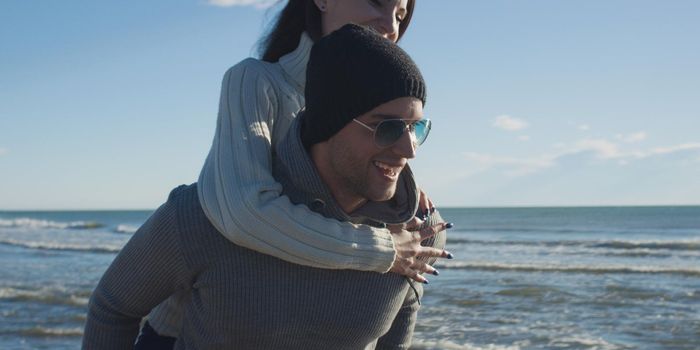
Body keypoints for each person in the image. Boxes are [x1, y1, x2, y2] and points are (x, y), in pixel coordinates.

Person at [83, 23, 447, 349]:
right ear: (327, 125)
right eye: (387, 128)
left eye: (416, 127)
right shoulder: (202, 216)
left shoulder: (419, 237)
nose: (409, 150)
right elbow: (113, 308)